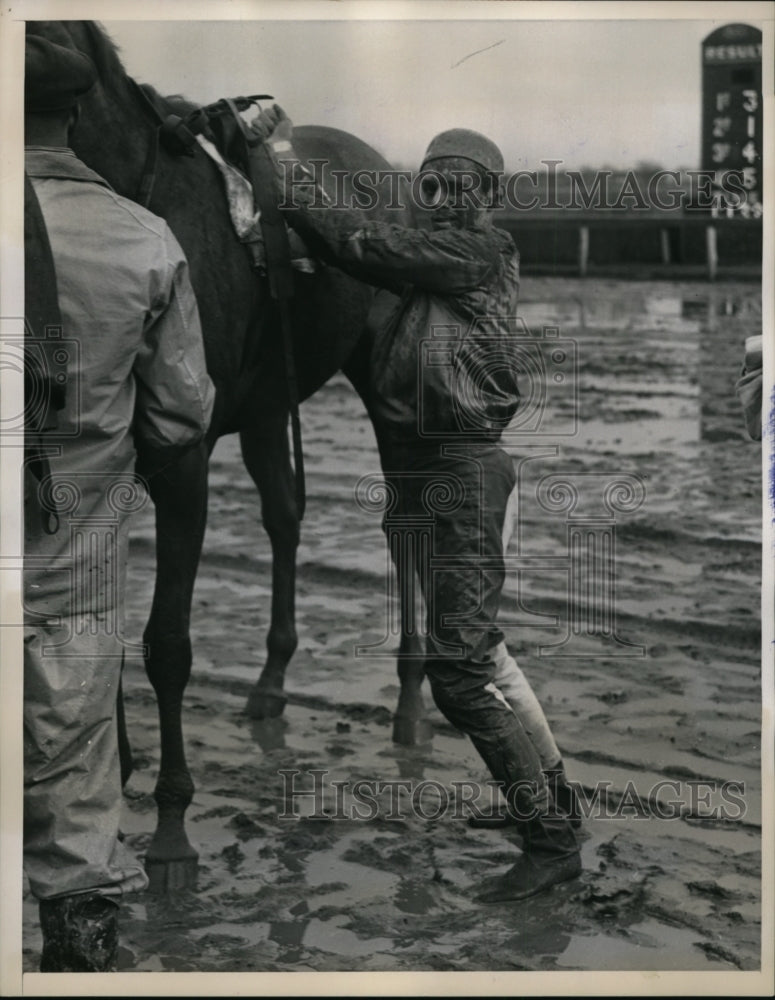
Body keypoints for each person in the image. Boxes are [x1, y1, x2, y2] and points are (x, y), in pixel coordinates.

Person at [252, 105, 582, 901]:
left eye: (455, 183)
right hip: (433, 470)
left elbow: (365, 242)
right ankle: (554, 804)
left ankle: (549, 841)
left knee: (458, 673)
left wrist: (285, 180)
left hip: (463, 475)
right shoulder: (432, 265)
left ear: (481, 196)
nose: (439, 191)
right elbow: (370, 265)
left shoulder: (472, 249)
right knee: (485, 653)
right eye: (429, 179)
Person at [23, 35, 215, 971]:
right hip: (71, 574)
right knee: (74, 799)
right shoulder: (144, 237)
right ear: (77, 111)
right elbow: (184, 416)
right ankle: (77, 961)